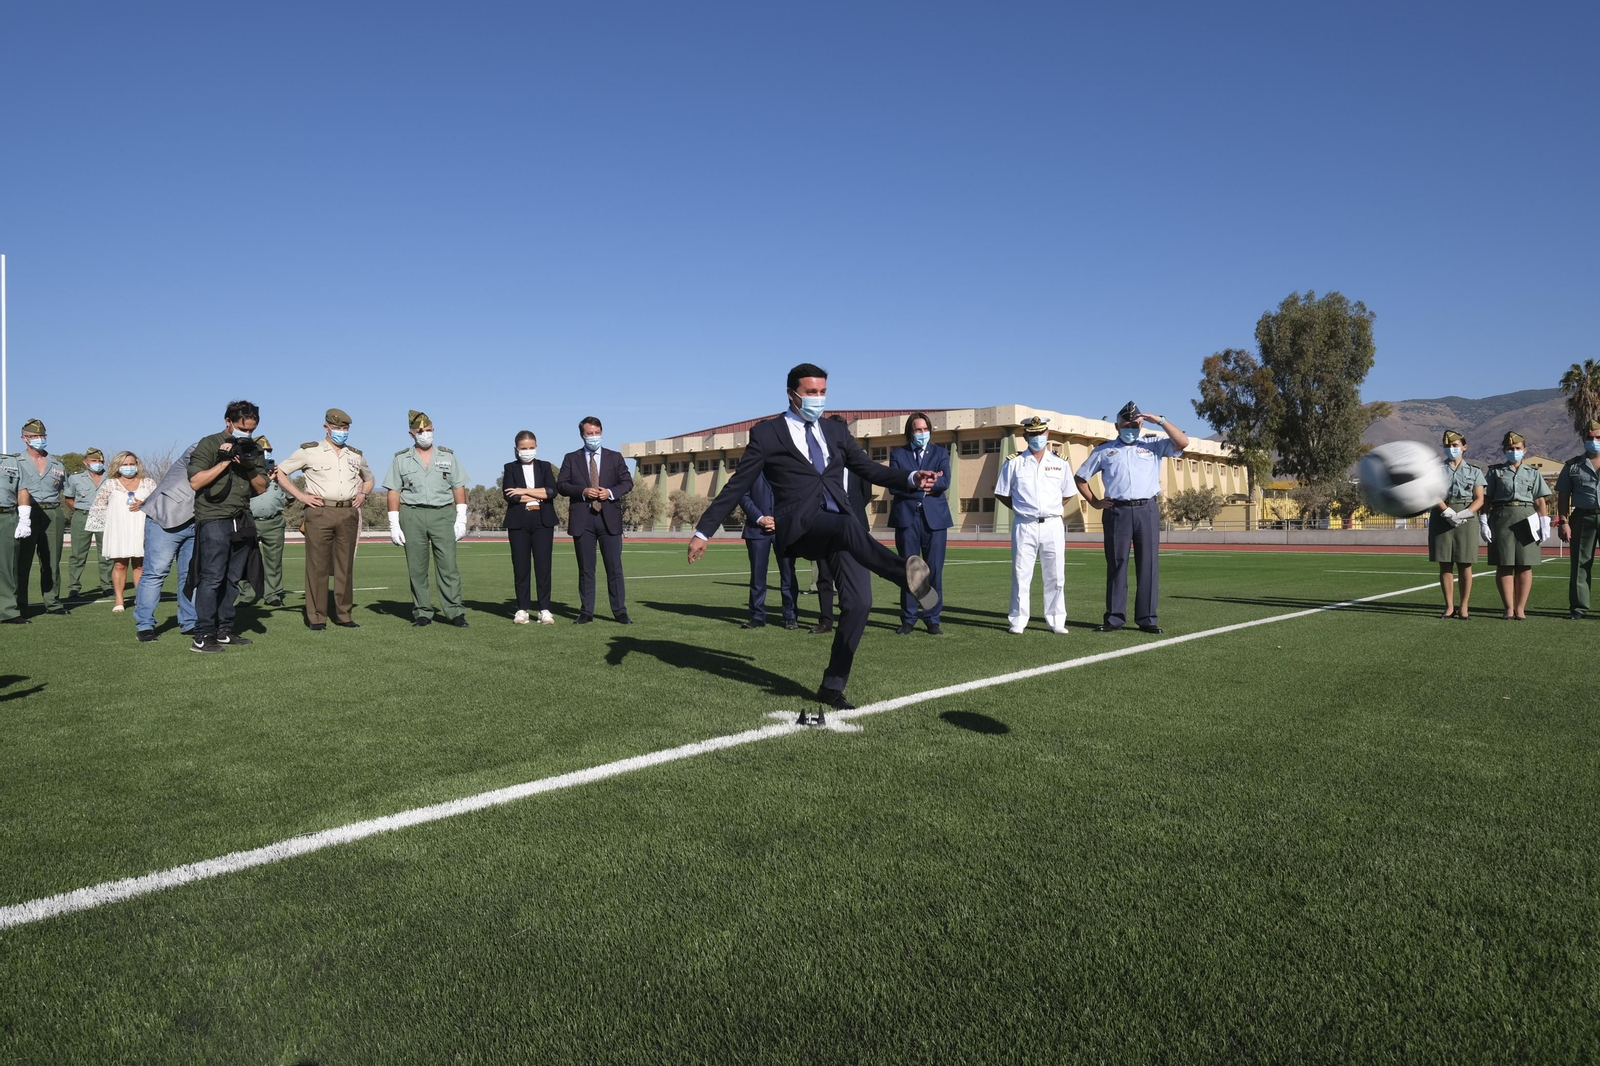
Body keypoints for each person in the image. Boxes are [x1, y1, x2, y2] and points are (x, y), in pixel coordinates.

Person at [686, 363, 939, 713]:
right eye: (811, 392)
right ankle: (904, 575)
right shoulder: (768, 434)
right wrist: (704, 530)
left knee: (859, 604)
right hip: (800, 527)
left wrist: (911, 478)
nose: (818, 399)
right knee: (850, 527)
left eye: (822, 392)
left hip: (842, 529)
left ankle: (832, 686)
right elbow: (738, 484)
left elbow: (868, 468)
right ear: (792, 394)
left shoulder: (835, 432)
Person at [1074, 402, 1189, 634]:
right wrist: (1095, 502)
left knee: (1148, 565)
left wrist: (1162, 421)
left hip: (1146, 509)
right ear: (1117, 426)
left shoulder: (1153, 444)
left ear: (1141, 424)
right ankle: (1114, 618)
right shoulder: (1104, 450)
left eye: (1135, 424)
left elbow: (1183, 443)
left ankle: (1147, 618)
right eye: (1126, 425)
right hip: (1117, 511)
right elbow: (1080, 477)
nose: (1131, 428)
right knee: (1117, 564)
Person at [274, 409, 374, 630]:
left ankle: (344, 614)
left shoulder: (355, 454)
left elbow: (369, 478)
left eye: (345, 428)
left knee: (345, 566)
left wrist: (363, 494)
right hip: (319, 511)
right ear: (326, 428)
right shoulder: (309, 451)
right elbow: (279, 472)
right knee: (317, 566)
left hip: (347, 512)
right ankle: (317, 617)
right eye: (337, 428)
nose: (342, 432)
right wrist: (300, 496)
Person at [186, 399, 269, 652]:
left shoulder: (254, 449)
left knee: (233, 578)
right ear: (228, 422)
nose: (248, 433)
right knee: (211, 577)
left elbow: (262, 487)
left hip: (241, 517)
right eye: (243, 428)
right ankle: (203, 635)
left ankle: (224, 630)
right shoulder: (209, 443)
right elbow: (196, 482)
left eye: (252, 429)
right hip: (213, 516)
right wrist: (223, 461)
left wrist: (248, 465)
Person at [384, 410, 470, 628]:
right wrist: (393, 523)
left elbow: (458, 486)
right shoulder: (401, 459)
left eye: (429, 430)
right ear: (411, 433)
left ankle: (454, 612)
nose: (425, 434)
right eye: (420, 431)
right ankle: (422, 612)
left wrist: (461, 517)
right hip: (411, 514)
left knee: (448, 566)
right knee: (417, 567)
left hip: (442, 513)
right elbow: (393, 491)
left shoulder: (447, 456)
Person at [995, 416, 1078, 635]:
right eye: (1032, 434)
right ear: (1025, 436)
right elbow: (1002, 493)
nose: (1037, 438)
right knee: (1021, 574)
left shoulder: (1060, 462)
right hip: (1025, 524)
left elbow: (1068, 493)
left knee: (1056, 574)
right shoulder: (1014, 462)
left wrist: (1050, 509)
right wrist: (1022, 508)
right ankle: (1018, 619)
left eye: (1040, 434)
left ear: (1047, 435)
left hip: (1052, 524)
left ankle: (1056, 619)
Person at [557, 417, 634, 625]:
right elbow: (561, 485)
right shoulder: (571, 458)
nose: (593, 437)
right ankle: (586, 612)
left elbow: (627, 482)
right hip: (583, 520)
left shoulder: (615, 457)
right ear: (582, 435)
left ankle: (620, 611)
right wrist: (582, 491)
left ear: (602, 432)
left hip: (609, 519)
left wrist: (609, 492)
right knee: (586, 569)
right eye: (589, 433)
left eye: (597, 432)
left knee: (615, 568)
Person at [888, 412, 952, 635]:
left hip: (935, 520)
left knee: (934, 570)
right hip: (907, 519)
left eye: (925, 429)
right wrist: (917, 481)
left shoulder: (941, 452)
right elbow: (894, 485)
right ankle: (908, 618)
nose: (922, 433)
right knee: (909, 570)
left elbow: (944, 481)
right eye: (917, 429)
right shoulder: (898, 455)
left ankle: (932, 618)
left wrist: (934, 482)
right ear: (910, 432)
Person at [132, 444, 199, 642]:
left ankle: (190, 622)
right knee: (155, 573)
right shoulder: (200, 447)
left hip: (196, 522)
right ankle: (145, 625)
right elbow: (196, 457)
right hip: (166, 518)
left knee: (190, 576)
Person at [1484, 431, 1551, 621]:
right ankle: (1508, 607)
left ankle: (1521, 608)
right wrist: (1483, 520)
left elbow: (1539, 499)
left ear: (1525, 450)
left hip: (1527, 517)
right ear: (1504, 450)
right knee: (1504, 564)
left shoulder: (1533, 473)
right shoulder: (1495, 472)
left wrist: (1544, 522)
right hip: (1501, 516)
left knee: (1524, 564)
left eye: (1517, 449)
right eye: (1510, 449)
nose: (1514, 451)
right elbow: (1487, 499)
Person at [502, 430, 559, 625]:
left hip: (543, 522)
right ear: (516, 449)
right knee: (521, 567)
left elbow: (552, 492)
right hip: (519, 523)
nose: (528, 451)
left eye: (531, 447)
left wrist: (524, 490)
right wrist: (537, 493)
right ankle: (522, 609)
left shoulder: (544, 467)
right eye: (524, 448)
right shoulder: (510, 468)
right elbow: (511, 496)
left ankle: (544, 609)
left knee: (543, 566)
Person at [1429, 430, 1486, 620]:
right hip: (1441, 514)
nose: (1451, 449)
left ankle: (1464, 607)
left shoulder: (1475, 471)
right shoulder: (1436, 470)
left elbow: (1479, 498)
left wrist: (1466, 513)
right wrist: (1446, 511)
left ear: (1464, 447)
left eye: (1455, 446)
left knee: (1465, 563)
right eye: (1448, 446)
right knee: (1445, 563)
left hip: (1466, 516)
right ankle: (1448, 606)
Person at [87, 452, 155, 613]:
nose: (129, 467)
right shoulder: (110, 484)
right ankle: (119, 599)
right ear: (118, 466)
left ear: (137, 464)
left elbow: (159, 502)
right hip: (119, 529)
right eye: (125, 464)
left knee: (140, 565)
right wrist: (107, 528)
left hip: (142, 528)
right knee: (120, 564)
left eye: (132, 464)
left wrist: (144, 504)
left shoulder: (148, 483)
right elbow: (99, 506)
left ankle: (140, 597)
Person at [15, 418, 69, 614]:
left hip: (53, 512)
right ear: (24, 439)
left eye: (41, 436)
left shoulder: (57, 464)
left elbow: (64, 489)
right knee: (23, 560)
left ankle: (53, 602)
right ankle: (20, 604)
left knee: (52, 561)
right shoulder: (15, 462)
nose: (38, 439)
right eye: (33, 436)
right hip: (26, 512)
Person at [740, 471, 798, 629]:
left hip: (784, 530)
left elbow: (796, 495)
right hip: (756, 530)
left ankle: (790, 616)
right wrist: (760, 518)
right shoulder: (752, 468)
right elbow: (743, 495)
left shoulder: (787, 466)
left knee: (788, 574)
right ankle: (757, 616)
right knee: (757, 576)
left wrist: (781, 520)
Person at [1554, 419, 1600, 619]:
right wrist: (1563, 522)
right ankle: (1579, 608)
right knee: (1580, 563)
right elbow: (1563, 495)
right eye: (1590, 438)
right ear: (1584, 439)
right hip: (1582, 516)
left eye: (1598, 437)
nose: (1594, 441)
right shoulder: (1572, 466)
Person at [241, 436, 291, 607]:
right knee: (245, 559)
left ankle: (273, 595)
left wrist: (275, 504)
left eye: (269, 451)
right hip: (249, 521)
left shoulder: (280, 473)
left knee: (274, 561)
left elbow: (290, 497)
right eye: (263, 452)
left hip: (274, 523)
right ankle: (247, 594)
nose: (267, 455)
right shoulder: (245, 471)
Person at [64, 447, 113, 598]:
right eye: (94, 461)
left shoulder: (111, 479)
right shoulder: (75, 478)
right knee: (78, 554)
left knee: (106, 554)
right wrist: (80, 511)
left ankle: (107, 585)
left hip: (105, 516)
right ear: (86, 462)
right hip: (82, 515)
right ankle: (74, 587)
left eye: (101, 461)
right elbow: (68, 498)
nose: (98, 463)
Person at [0, 447, 27, 624]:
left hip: (7, 515)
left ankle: (8, 610)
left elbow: (22, 490)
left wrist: (24, 518)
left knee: (8, 566)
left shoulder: (12, 462)